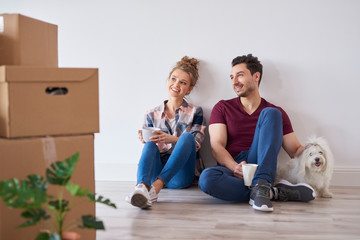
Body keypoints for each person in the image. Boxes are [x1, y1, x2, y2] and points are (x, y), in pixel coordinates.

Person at [198, 54, 315, 212]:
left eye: (240, 75)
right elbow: (217, 147)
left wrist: (315, 152)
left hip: (261, 165)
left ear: (256, 76)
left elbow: (295, 150)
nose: (234, 82)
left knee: (271, 113)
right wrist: (235, 168)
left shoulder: (275, 113)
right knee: (207, 179)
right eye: (232, 77)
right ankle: (273, 192)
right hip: (234, 166)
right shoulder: (223, 107)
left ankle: (262, 184)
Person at [127, 56, 206, 209]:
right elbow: (150, 147)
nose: (176, 85)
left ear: (189, 89)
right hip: (156, 169)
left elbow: (195, 143)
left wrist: (172, 139)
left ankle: (156, 187)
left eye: (183, 82)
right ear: (168, 80)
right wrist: (143, 138)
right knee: (149, 145)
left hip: (180, 175)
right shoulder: (151, 113)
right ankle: (142, 187)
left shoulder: (196, 111)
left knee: (188, 137)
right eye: (173, 79)